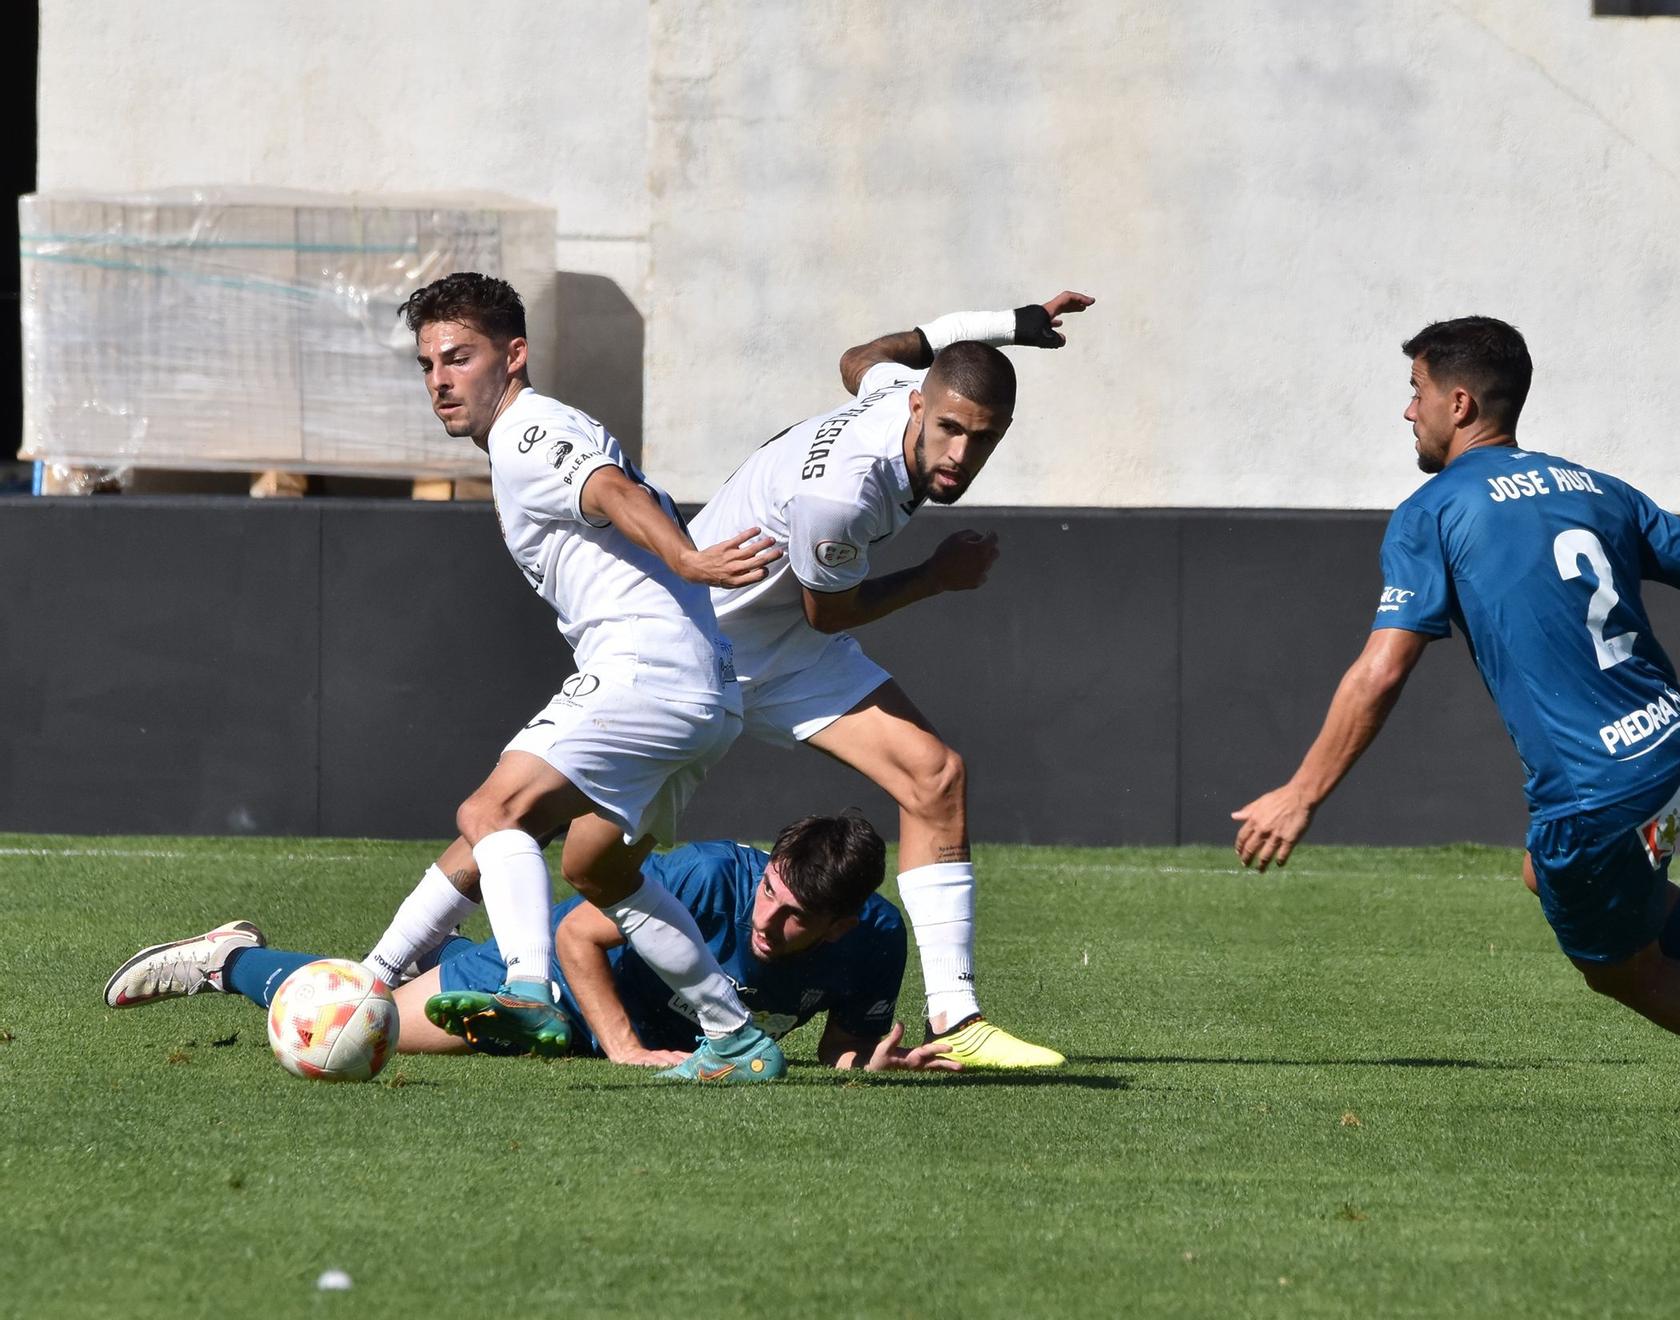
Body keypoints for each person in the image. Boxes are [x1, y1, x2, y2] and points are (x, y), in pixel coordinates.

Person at [1230, 315, 1680, 1114]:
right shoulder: (1594, 487)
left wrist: (1301, 793)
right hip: (1670, 742)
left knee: (1624, 971)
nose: (1407, 412)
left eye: (1414, 394)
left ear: (1459, 402)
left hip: (1599, 784)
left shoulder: (1434, 510)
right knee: (1551, 875)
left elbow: (1381, 671)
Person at [365, 272, 789, 1084]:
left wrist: (687, 556)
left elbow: (611, 492)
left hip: (645, 668)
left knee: (494, 811)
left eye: (460, 357)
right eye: (428, 365)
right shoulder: (527, 436)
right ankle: (734, 1037)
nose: (441, 380)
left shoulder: (529, 431)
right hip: (704, 692)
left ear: (514, 356)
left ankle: (528, 987)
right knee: (599, 868)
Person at [684, 293, 1096, 1069]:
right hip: (697, 648)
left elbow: (861, 358)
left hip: (785, 643)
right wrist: (939, 576)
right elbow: (831, 612)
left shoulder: (888, 396)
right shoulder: (845, 493)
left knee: (935, 778)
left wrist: (1008, 325)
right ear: (919, 407)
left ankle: (957, 1019)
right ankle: (409, 958)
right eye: (948, 430)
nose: (960, 457)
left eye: (983, 440)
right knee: (572, 819)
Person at [103, 815, 958, 1074]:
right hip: (552, 991)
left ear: (844, 923)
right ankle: (230, 960)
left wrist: (871, 1072)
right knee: (354, 1028)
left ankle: (449, 956)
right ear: (764, 869)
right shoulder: (702, 878)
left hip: (644, 1031)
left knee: (371, 1017)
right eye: (768, 896)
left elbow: (848, 1044)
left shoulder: (879, 939)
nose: (768, 924)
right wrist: (622, 1046)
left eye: (796, 920)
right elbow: (582, 933)